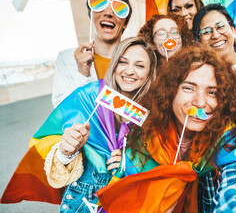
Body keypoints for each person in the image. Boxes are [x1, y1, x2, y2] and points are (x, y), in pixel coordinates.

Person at [93, 46, 236, 213]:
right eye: (188, 88)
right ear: (170, 92)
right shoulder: (142, 140)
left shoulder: (231, 141)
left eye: (212, 92)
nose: (200, 103)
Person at [1, 37, 157, 213]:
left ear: (151, 72)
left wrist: (130, 162)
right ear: (114, 64)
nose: (129, 71)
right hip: (83, 201)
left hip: (131, 202)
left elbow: (162, 161)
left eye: (140, 65)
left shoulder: (157, 111)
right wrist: (66, 150)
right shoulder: (87, 95)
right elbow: (44, 139)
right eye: (123, 62)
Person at [52, 0, 133, 107]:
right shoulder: (65, 59)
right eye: (100, 7)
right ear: (91, 16)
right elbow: (61, 109)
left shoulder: (137, 64)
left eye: (118, 10)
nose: (108, 13)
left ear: (125, 23)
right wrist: (82, 75)